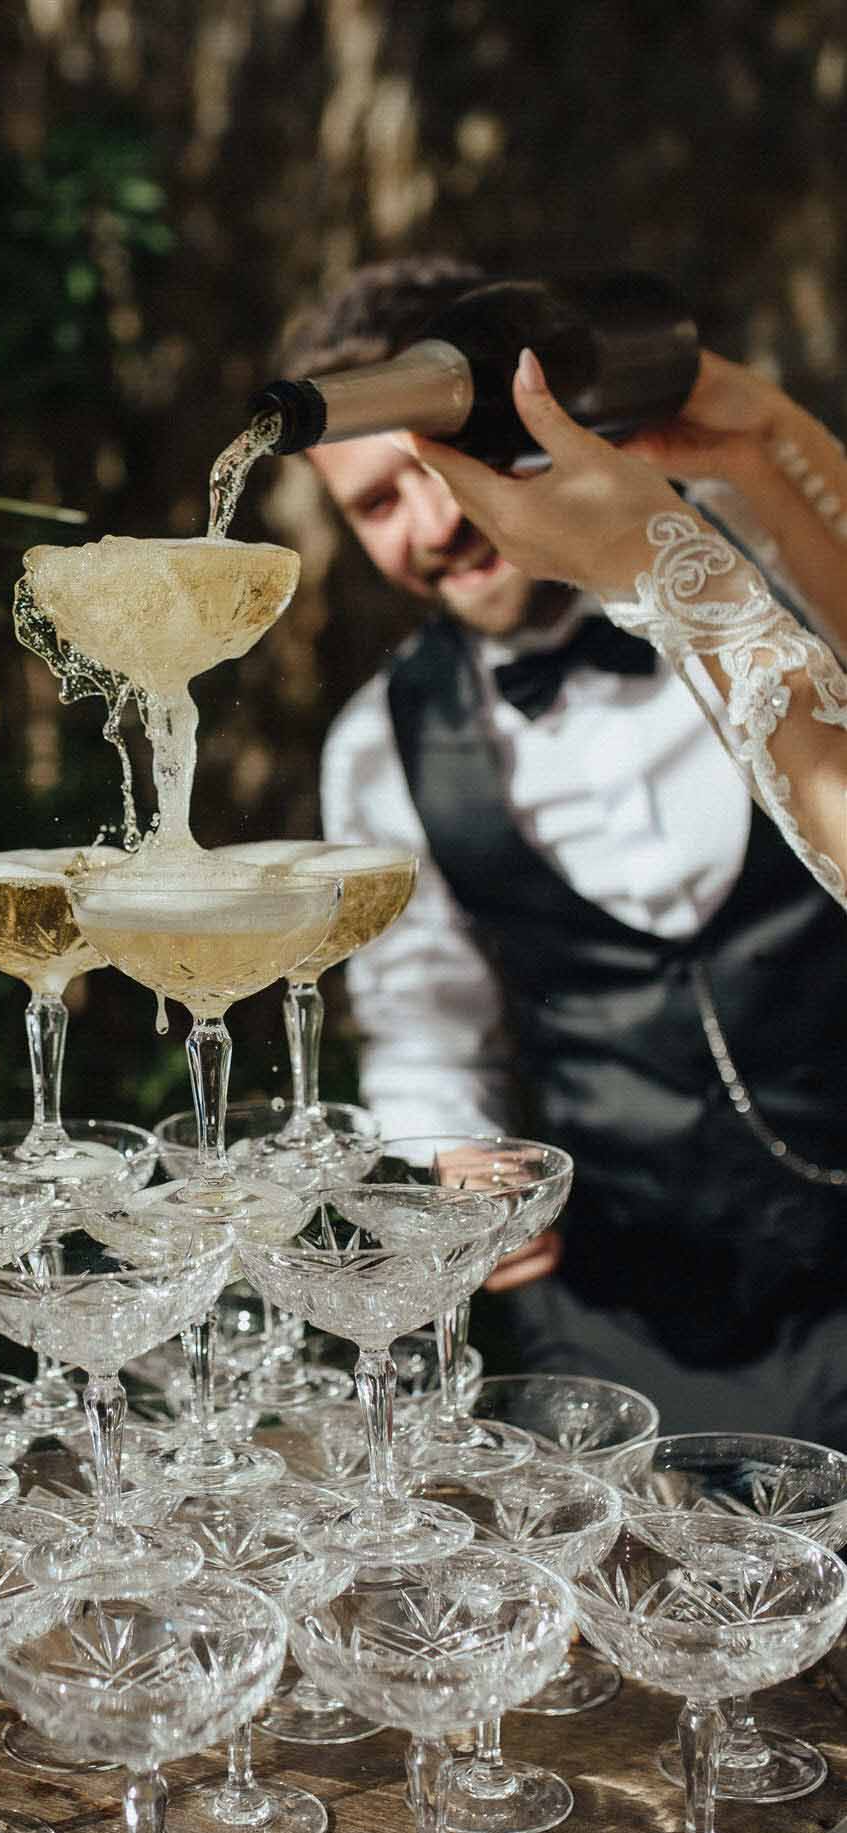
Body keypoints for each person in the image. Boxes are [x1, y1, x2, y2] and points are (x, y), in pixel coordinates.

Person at [284, 257, 847, 1446]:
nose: (435, 521)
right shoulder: (377, 748)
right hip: (610, 1325)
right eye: (378, 502)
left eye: (450, 466)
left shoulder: (765, 581)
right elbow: (422, 1020)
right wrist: (453, 1156)